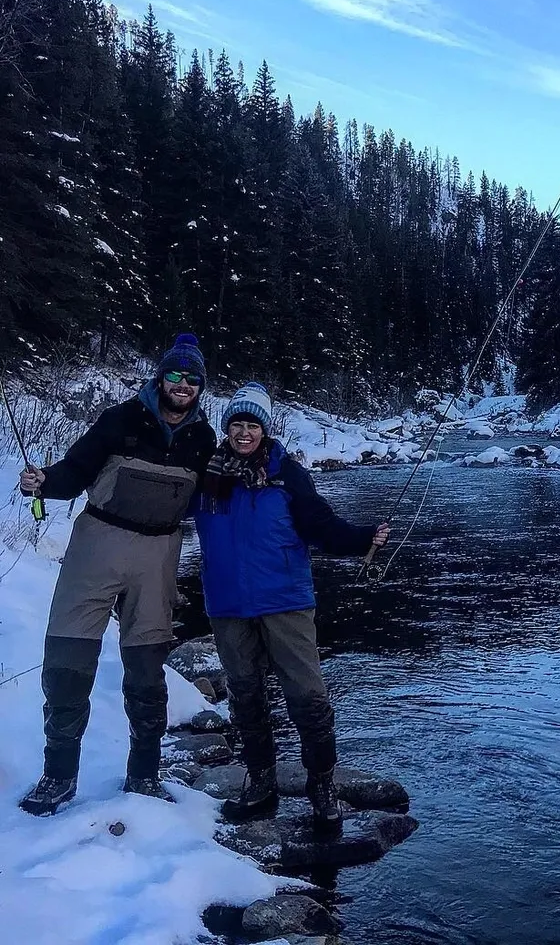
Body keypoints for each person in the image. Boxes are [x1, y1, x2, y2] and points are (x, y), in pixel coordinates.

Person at [18, 333, 217, 815]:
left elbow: (217, 494)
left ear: (200, 386)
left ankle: (144, 776)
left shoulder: (204, 438)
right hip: (97, 547)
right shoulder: (120, 419)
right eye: (174, 374)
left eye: (191, 378)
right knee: (67, 665)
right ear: (160, 377)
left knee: (148, 673)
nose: (182, 384)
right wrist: (43, 481)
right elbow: (75, 470)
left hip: (159, 555)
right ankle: (58, 776)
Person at [194, 382, 389, 834]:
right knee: (245, 694)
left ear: (265, 429)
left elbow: (320, 525)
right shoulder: (206, 474)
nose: (244, 433)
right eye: (237, 424)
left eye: (253, 425)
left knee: (308, 697)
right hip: (227, 604)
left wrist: (362, 538)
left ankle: (322, 784)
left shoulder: (288, 473)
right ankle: (261, 779)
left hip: (285, 600)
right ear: (227, 429)